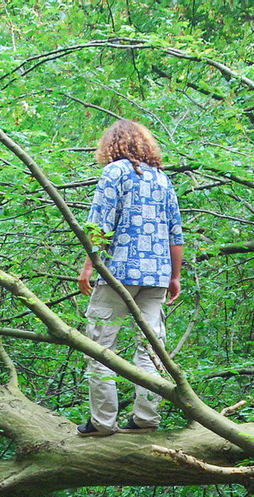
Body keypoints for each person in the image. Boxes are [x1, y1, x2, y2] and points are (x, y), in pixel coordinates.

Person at [75, 118, 184, 437]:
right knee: (151, 347)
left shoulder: (115, 172)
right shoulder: (163, 180)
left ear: (112, 145)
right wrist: (175, 277)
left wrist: (88, 265)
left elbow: (99, 223)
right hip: (157, 276)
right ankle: (146, 418)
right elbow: (175, 233)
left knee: (100, 347)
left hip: (117, 275)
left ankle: (103, 423)